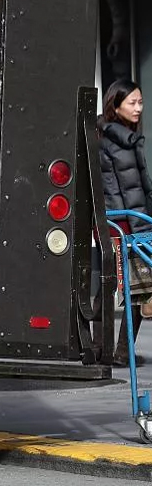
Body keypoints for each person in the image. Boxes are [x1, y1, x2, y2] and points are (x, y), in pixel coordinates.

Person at [97, 79, 152, 367]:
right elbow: (117, 190)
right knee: (136, 285)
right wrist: (134, 227)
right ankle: (118, 351)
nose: (138, 108)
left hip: (125, 220)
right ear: (115, 106)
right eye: (132, 102)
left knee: (115, 283)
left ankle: (105, 348)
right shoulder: (116, 141)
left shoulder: (123, 136)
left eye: (140, 102)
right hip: (124, 223)